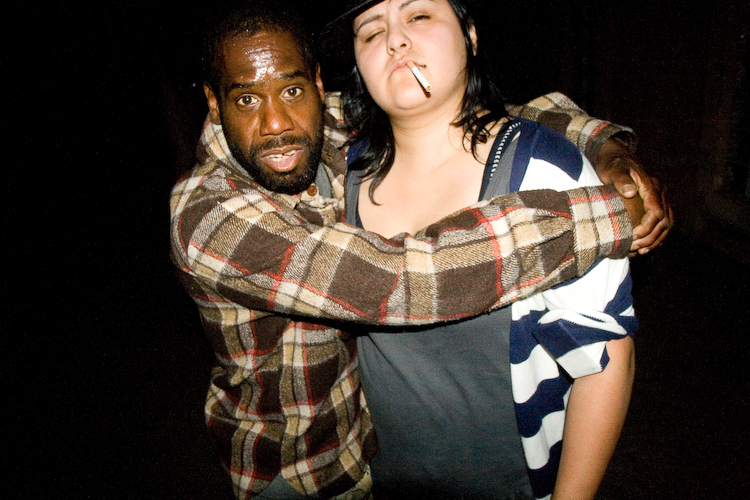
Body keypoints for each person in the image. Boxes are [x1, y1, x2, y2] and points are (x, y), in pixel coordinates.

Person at [170, 1, 668, 498]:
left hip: (376, 452)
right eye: (245, 99)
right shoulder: (206, 215)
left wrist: (605, 147)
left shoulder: (330, 128)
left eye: (292, 90)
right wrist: (606, 213)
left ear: (318, 87)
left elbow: (478, 105)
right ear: (214, 104)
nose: (276, 122)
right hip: (295, 469)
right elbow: (400, 282)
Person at [322, 0, 639, 498]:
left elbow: (605, 360)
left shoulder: (541, 170)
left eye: (418, 16)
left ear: (469, 35)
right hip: (378, 480)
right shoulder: (339, 177)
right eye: (371, 31)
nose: (395, 40)